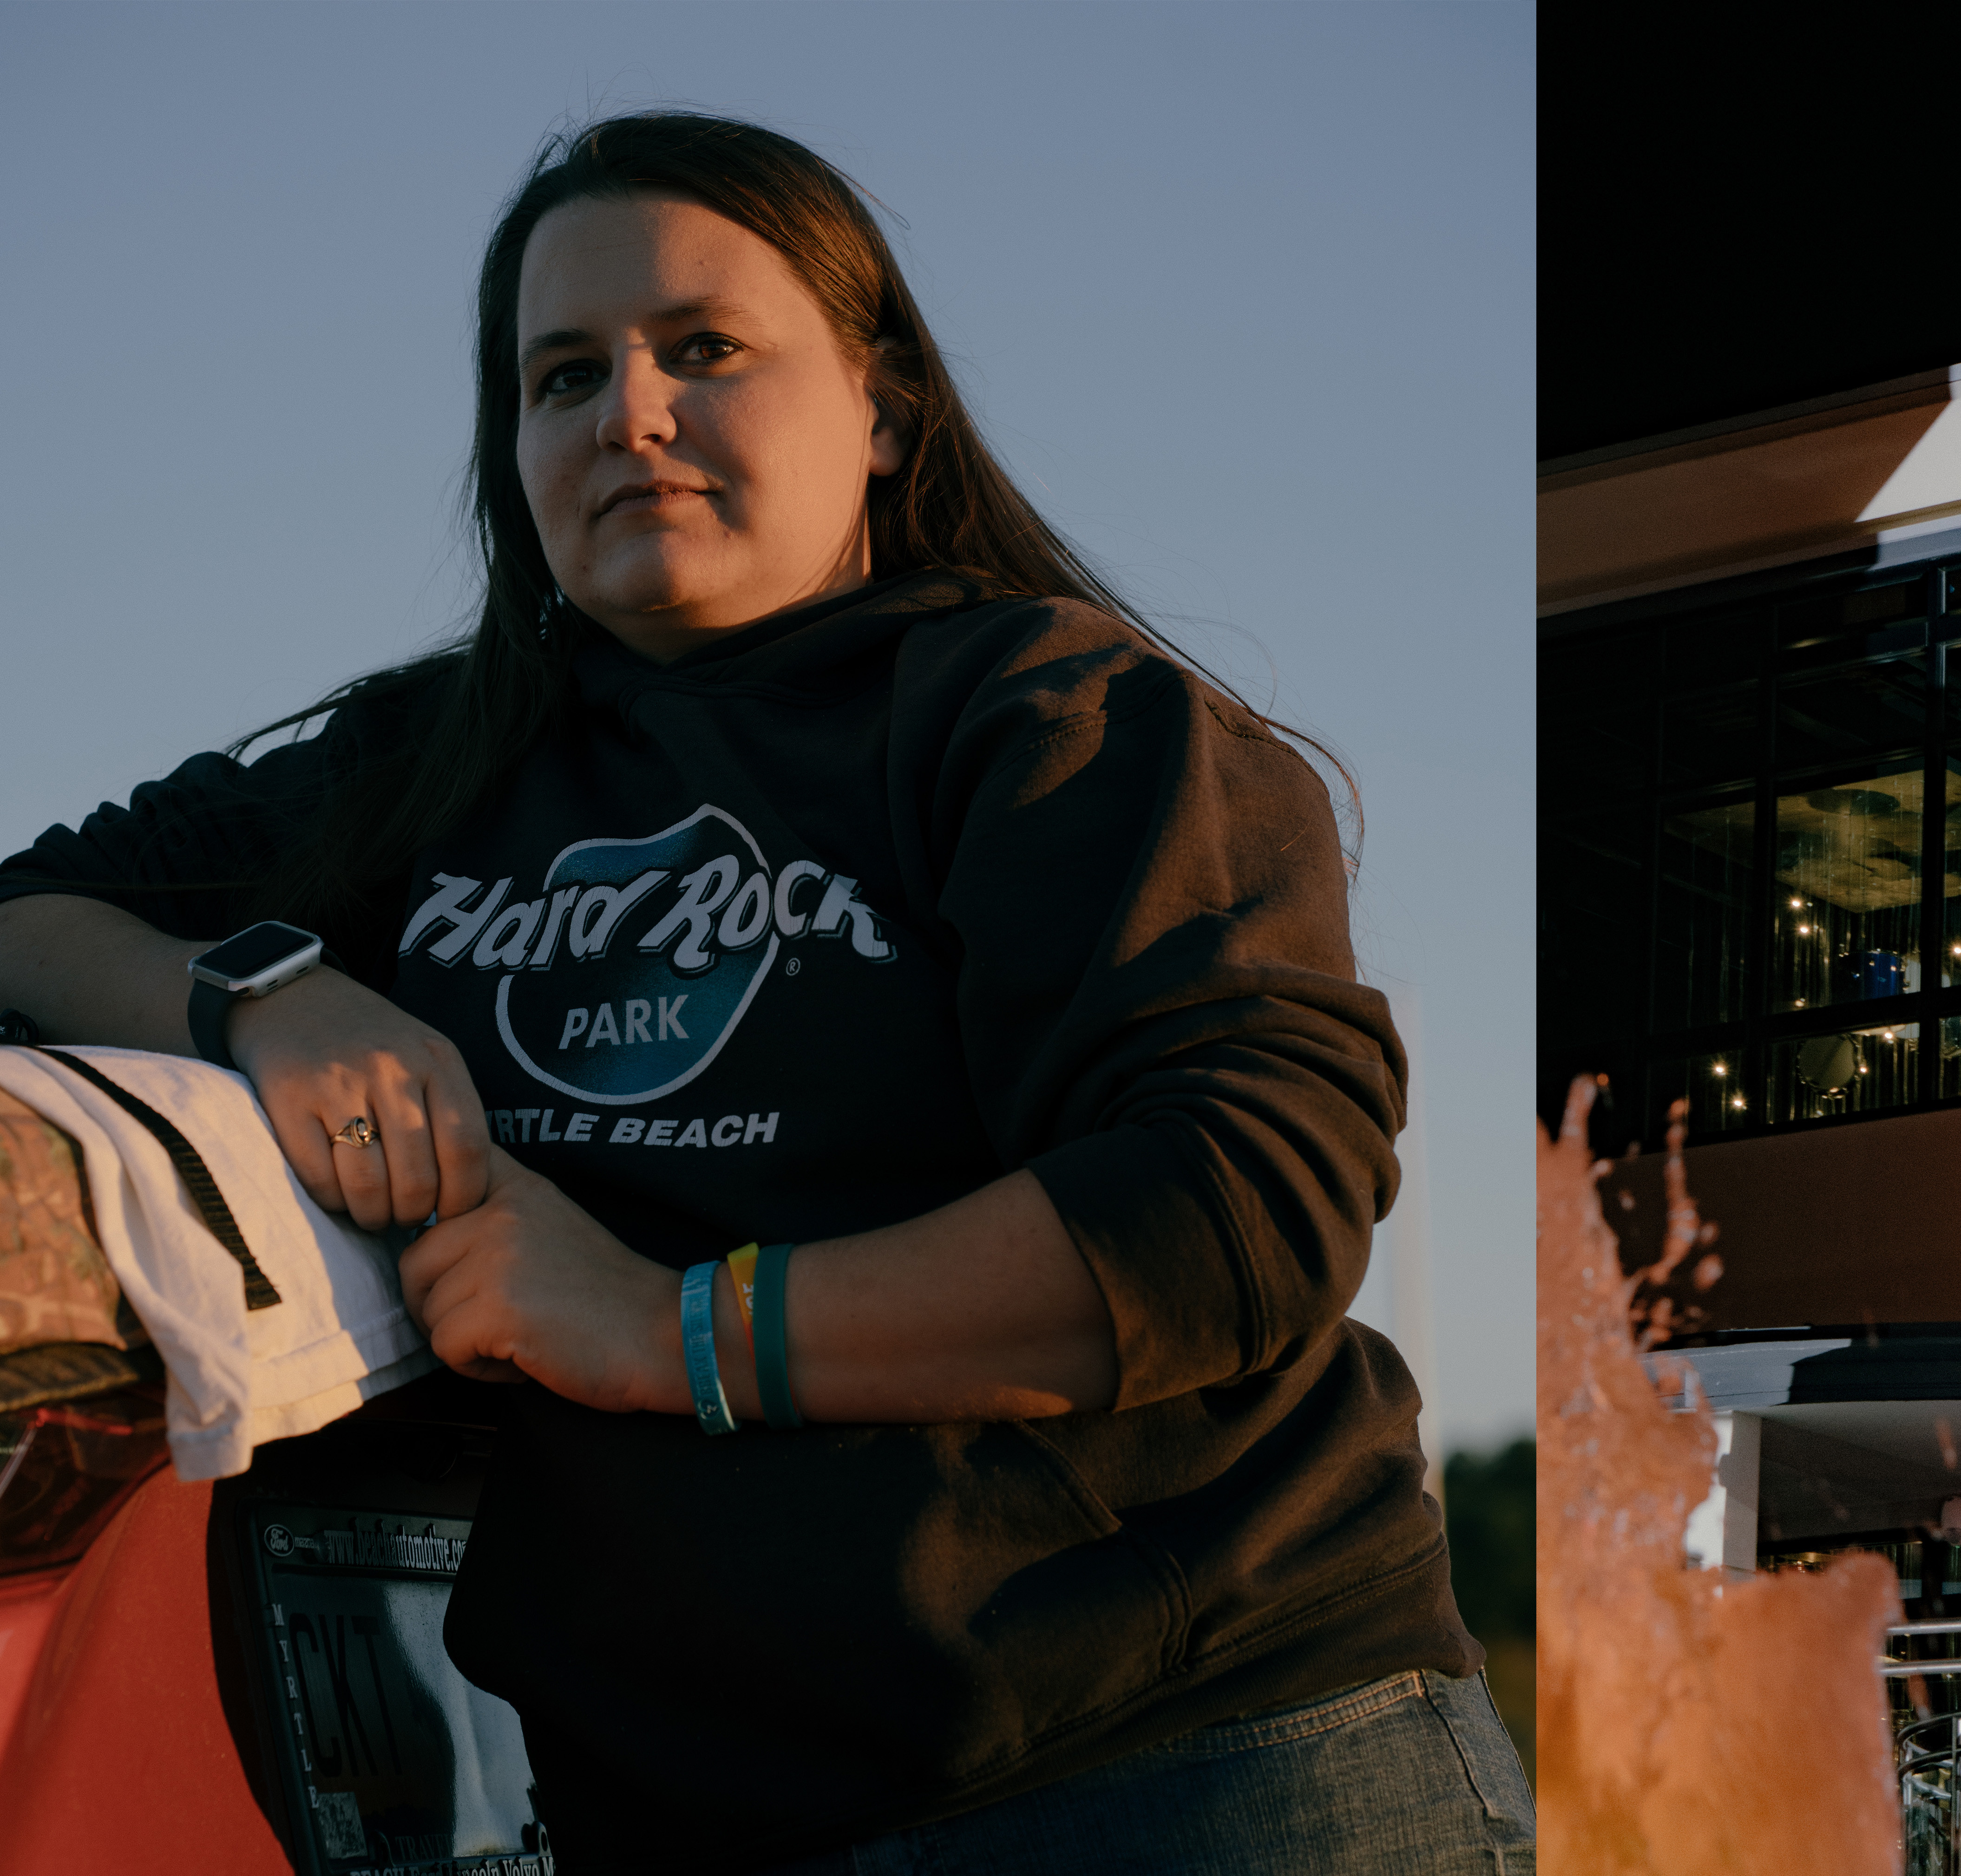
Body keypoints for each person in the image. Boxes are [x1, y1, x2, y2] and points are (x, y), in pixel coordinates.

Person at [0, 113, 1529, 1875]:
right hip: (679, 1820)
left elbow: (1236, 1211)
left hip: (1203, 1769)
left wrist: (670, 1330)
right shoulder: (423, 773)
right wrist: (261, 997)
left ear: (881, 409)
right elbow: (29, 911)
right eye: (562, 377)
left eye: (703, 350)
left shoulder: (1056, 718)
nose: (628, 414)